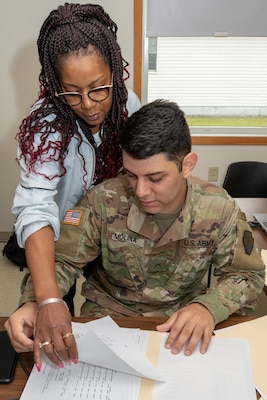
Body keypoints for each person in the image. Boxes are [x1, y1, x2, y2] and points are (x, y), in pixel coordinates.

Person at [5, 100, 265, 371]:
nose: (141, 191)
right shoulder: (103, 201)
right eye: (131, 175)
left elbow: (248, 275)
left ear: (187, 165)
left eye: (155, 178)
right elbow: (62, 262)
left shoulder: (218, 208)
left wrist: (208, 308)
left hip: (180, 323)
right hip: (109, 321)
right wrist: (35, 302)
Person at [10, 3, 140, 315]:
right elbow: (35, 206)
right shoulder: (44, 125)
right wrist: (50, 300)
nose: (88, 105)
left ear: (114, 70)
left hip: (111, 229)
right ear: (55, 85)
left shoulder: (128, 105)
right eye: (71, 92)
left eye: (99, 89)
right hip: (60, 237)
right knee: (56, 306)